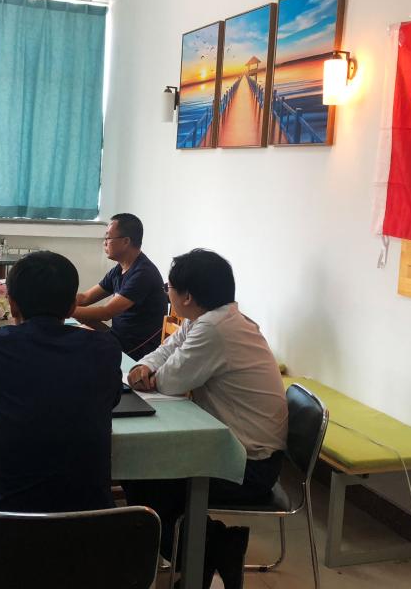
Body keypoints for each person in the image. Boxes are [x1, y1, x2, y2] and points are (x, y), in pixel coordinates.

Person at [123, 249, 289, 589]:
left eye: (169, 287)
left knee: (145, 475)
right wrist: (144, 366)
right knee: (143, 475)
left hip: (249, 466)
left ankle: (208, 551)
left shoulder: (215, 329)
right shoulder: (207, 319)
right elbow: (166, 351)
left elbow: (171, 381)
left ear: (187, 296)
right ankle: (214, 549)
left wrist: (152, 375)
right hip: (236, 449)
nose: (166, 292)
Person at [0, 251, 123, 515]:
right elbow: (110, 400)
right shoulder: (105, 347)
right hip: (93, 525)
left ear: (12, 304)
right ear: (72, 306)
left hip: (9, 523)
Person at [72, 213, 166, 360]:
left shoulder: (143, 273)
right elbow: (85, 298)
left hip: (136, 348)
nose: (104, 243)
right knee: (75, 329)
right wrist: (58, 302)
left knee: (75, 344)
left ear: (126, 241)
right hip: (117, 336)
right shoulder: (120, 269)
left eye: (108, 238)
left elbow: (106, 313)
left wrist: (63, 310)